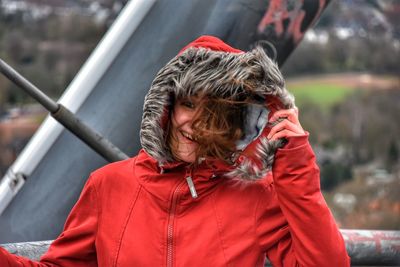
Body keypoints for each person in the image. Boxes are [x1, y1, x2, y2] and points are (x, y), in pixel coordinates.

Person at [0, 36, 350, 266]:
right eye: (187, 103)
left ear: (234, 123)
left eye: (213, 112)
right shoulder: (108, 186)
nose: (193, 125)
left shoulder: (256, 197)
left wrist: (295, 169)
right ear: (165, 105)